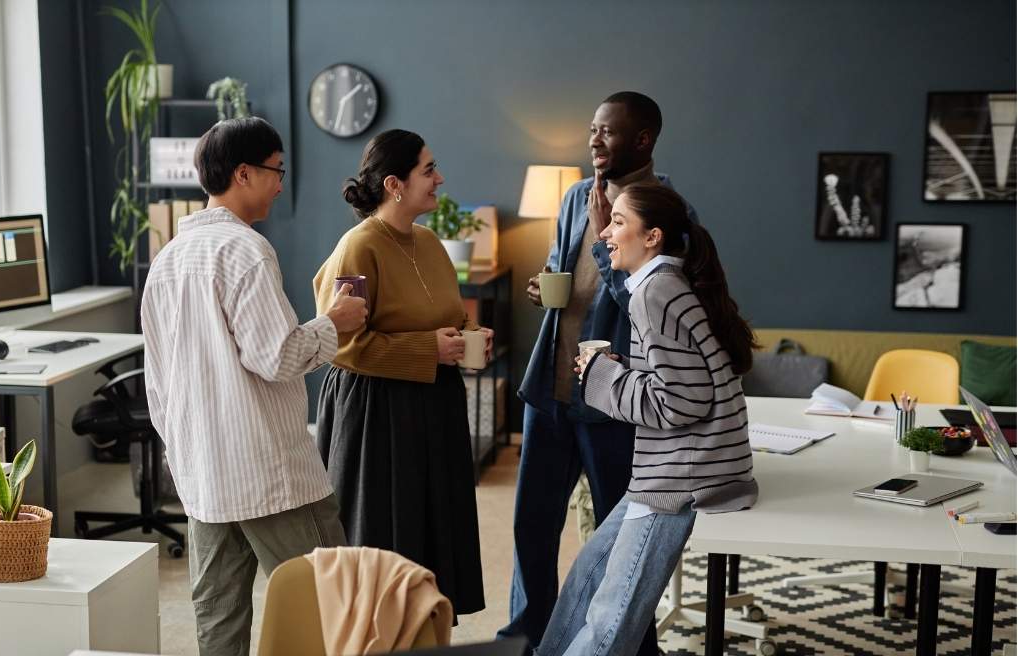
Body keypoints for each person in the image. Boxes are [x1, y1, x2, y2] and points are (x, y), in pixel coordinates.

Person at [141, 116, 368, 656]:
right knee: (333, 600)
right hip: (266, 468)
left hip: (202, 471)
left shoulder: (167, 260)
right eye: (276, 171)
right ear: (243, 173)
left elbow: (157, 382)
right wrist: (335, 321)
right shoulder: (245, 251)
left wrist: (183, 450)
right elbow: (279, 356)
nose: (282, 183)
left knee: (218, 616)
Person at [501, 91, 698, 648]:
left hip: (614, 404)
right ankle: (526, 638)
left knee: (621, 542)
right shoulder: (574, 198)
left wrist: (606, 247)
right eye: (592, 129)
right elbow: (561, 270)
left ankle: (633, 644)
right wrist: (545, 285)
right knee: (531, 529)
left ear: (643, 140)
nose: (593, 140)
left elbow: (656, 308)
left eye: (606, 132)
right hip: (551, 394)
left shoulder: (668, 212)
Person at [536, 181, 759, 655]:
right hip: (674, 468)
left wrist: (601, 375)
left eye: (617, 223)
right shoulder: (667, 285)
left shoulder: (653, 294)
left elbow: (680, 403)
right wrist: (622, 371)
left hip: (681, 476)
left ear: (652, 236)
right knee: (588, 578)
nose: (604, 236)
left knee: (610, 618)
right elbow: (682, 383)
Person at [313, 129, 490, 617]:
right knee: (384, 537)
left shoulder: (431, 242)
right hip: (378, 413)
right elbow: (343, 345)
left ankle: (428, 634)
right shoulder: (358, 248)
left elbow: (446, 313)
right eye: (428, 169)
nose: (440, 178)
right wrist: (427, 349)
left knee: (435, 531)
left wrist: (471, 332)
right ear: (394, 183)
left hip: (435, 404)